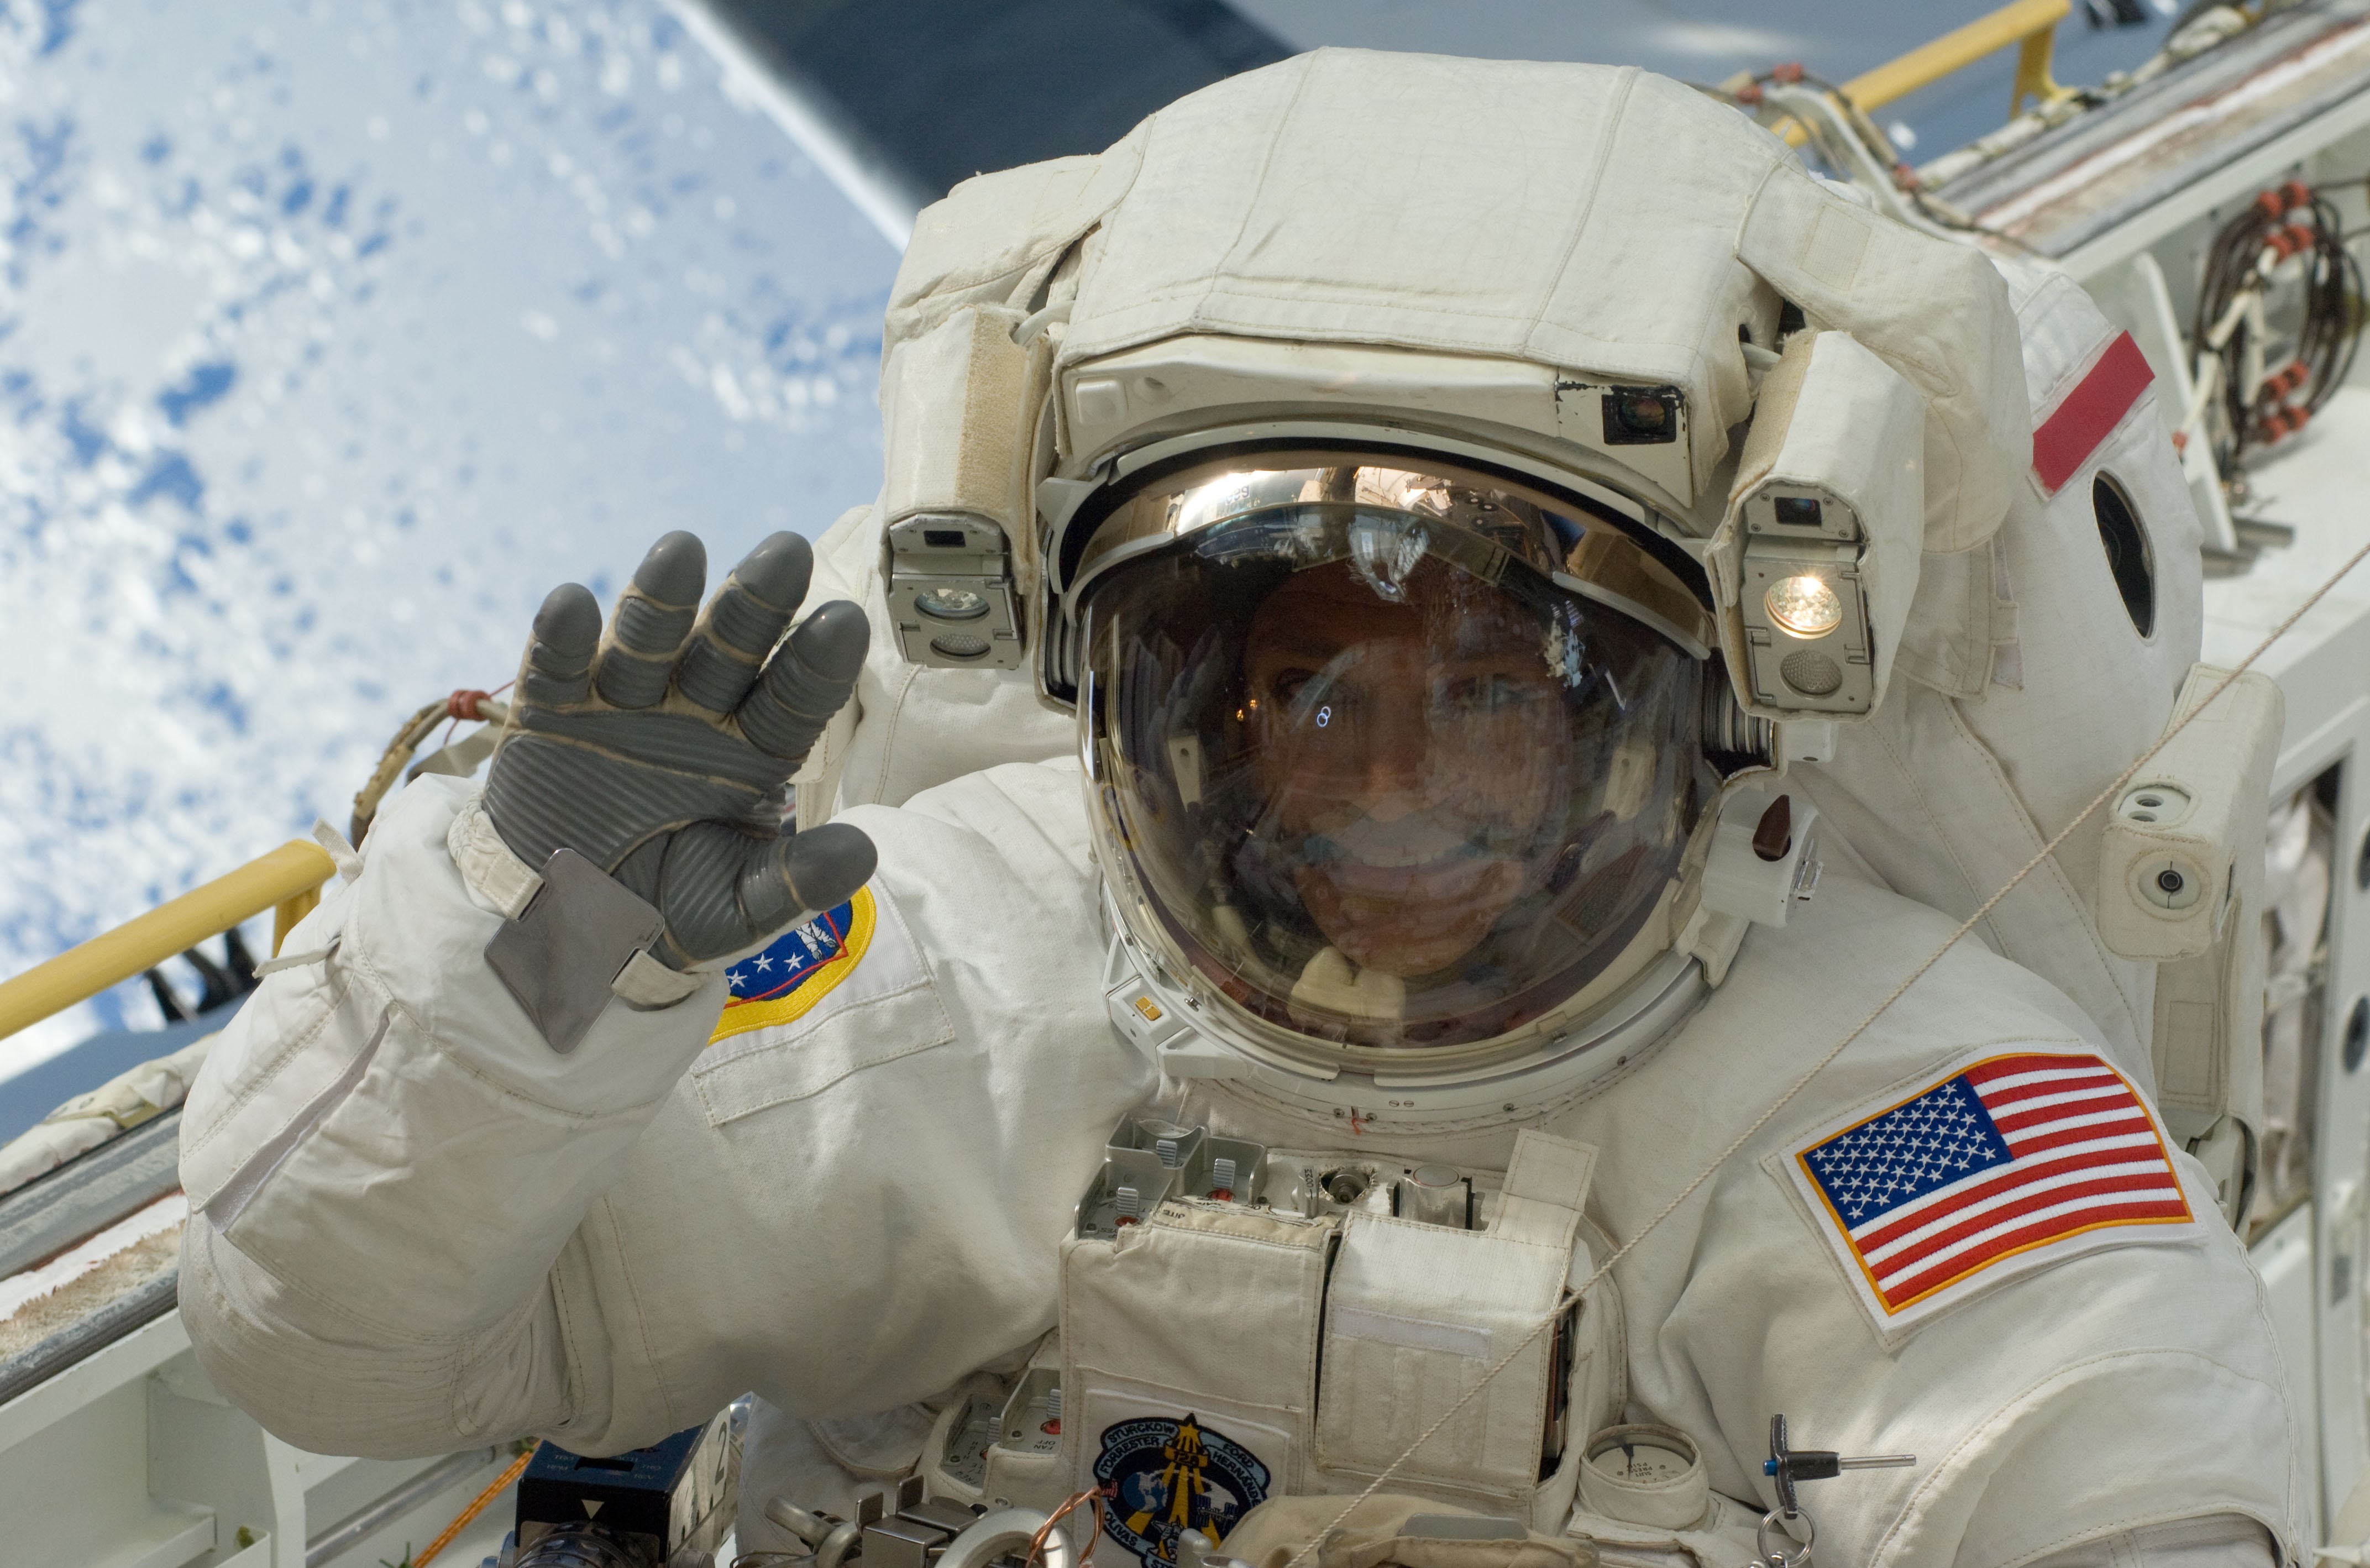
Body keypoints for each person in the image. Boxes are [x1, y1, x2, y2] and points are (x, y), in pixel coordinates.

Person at [177, 50, 2301, 1568]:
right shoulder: (967, 979)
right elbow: (340, 1341)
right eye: (1307, 686)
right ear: (1170, 708)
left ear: (1705, 705)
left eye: (1494, 689)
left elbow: (2118, 1465)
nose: (1389, 781)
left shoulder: (1885, 1091)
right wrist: (543, 940)